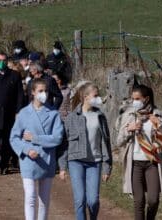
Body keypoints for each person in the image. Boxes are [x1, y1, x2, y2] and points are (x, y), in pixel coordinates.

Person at [10, 78, 64, 220]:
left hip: (47, 160)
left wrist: (35, 138)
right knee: (30, 197)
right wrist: (27, 150)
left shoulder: (54, 114)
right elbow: (14, 138)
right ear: (33, 92)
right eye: (40, 91)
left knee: (44, 199)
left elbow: (58, 138)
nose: (44, 94)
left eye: (46, 91)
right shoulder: (23, 113)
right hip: (28, 161)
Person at [116, 84, 162, 220]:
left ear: (146, 99)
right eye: (132, 98)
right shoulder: (129, 116)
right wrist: (129, 130)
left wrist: (159, 126)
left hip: (152, 163)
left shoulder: (158, 115)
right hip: (135, 164)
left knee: (153, 200)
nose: (134, 102)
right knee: (138, 201)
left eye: (137, 98)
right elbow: (118, 142)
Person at [59, 82, 112, 220]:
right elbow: (64, 143)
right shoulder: (71, 117)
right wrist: (62, 167)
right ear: (85, 96)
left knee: (93, 200)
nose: (98, 98)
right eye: (95, 95)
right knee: (79, 200)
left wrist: (107, 167)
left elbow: (106, 143)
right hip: (76, 161)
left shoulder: (100, 116)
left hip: (95, 162)